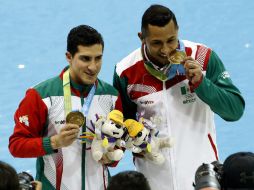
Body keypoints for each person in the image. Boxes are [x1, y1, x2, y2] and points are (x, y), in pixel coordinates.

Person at [113, 4, 245, 190]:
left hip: (202, 181)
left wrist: (202, 83)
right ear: (141, 38)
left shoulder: (203, 58)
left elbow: (235, 110)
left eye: (171, 40)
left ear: (178, 31)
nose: (166, 50)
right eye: (157, 43)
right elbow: (122, 124)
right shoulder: (126, 71)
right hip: (153, 181)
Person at [9, 25, 122, 190]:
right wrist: (55, 142)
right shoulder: (41, 96)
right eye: (85, 59)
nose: (93, 67)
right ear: (69, 56)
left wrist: (112, 157)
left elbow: (119, 143)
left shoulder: (111, 96)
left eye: (98, 58)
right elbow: (17, 146)